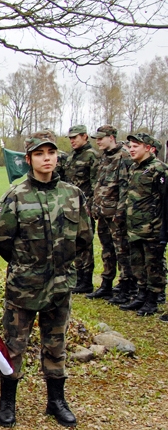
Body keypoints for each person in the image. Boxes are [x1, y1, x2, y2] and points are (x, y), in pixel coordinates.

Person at [0, 132, 92, 428]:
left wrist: (62, 265)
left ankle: (56, 401)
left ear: (57, 157)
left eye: (51, 152)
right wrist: (25, 263)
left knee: (55, 345)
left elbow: (84, 237)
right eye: (40, 153)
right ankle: (7, 402)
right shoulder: (16, 195)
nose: (47, 158)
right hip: (24, 286)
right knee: (14, 346)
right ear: (29, 159)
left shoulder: (72, 194)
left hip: (59, 285)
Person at [119, 133, 168, 316]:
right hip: (134, 227)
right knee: (137, 263)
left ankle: (153, 299)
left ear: (148, 148)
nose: (131, 149)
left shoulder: (159, 170)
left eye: (135, 146)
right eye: (130, 146)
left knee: (153, 265)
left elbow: (164, 201)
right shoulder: (134, 168)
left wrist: (163, 229)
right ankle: (141, 295)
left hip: (153, 228)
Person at [88, 125, 135, 303]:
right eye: (97, 138)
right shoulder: (104, 157)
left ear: (111, 137)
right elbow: (99, 184)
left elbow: (125, 187)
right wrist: (94, 205)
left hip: (116, 214)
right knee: (107, 251)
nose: (98, 141)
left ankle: (126, 288)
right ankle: (107, 285)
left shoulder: (124, 156)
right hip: (103, 212)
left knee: (122, 252)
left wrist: (121, 212)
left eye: (101, 138)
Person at [64, 124, 99, 294]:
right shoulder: (72, 157)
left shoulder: (91, 156)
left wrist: (91, 205)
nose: (72, 141)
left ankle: (86, 280)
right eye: (70, 138)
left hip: (85, 207)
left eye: (75, 137)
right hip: (71, 206)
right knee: (73, 242)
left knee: (85, 243)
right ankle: (78, 276)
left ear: (85, 136)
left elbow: (95, 184)